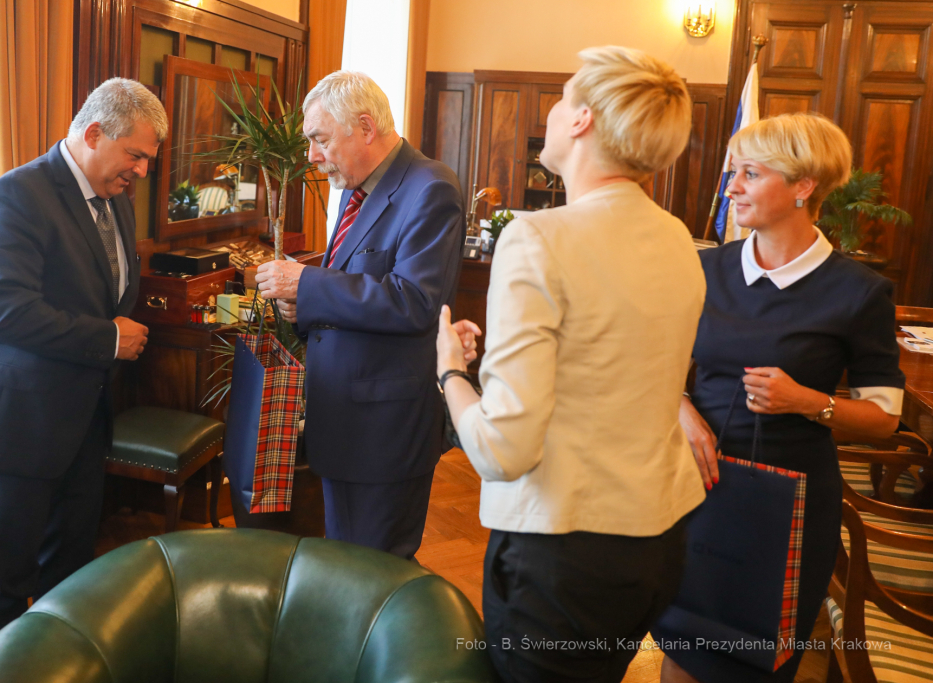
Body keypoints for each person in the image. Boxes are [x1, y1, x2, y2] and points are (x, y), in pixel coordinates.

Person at [437, 46, 707, 682]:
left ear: (582, 119)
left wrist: (452, 373)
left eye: (561, 99)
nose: (555, 113)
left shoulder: (539, 237)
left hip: (565, 555)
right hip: (657, 540)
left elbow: (504, 450)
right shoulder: (677, 236)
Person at [657, 113, 904, 683]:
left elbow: (884, 420)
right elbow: (654, 360)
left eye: (749, 173)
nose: (732, 187)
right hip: (694, 487)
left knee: (755, 661)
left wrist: (806, 401)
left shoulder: (860, 293)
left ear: (802, 187)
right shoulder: (704, 268)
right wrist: (681, 409)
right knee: (682, 644)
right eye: (732, 173)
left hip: (789, 508)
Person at [0, 78, 166, 645]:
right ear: (94, 134)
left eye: (147, 160)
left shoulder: (115, 200)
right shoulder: (14, 196)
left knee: (68, 580)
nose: (142, 172)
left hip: (81, 426)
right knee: (7, 579)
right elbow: (8, 315)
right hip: (14, 426)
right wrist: (108, 340)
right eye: (135, 155)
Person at [254, 71, 465, 561]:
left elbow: (413, 300)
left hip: (383, 432)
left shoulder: (431, 187)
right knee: (347, 567)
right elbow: (351, 282)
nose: (311, 155)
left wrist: (305, 283)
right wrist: (300, 302)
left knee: (377, 573)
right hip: (344, 419)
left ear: (365, 127)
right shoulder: (355, 188)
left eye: (319, 139)